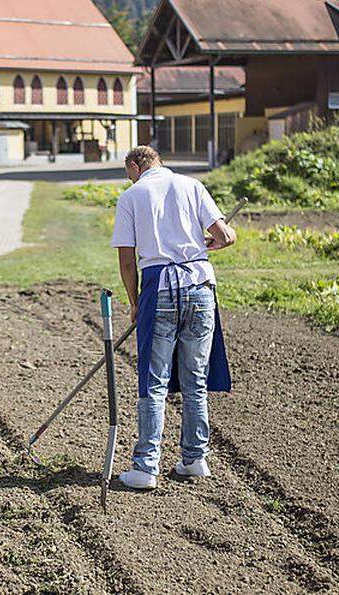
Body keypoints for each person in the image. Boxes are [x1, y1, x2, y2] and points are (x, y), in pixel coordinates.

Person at [109, 146, 237, 490]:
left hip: (159, 287)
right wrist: (207, 245)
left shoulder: (131, 196)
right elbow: (227, 236)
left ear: (137, 165)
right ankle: (195, 460)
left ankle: (146, 467)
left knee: (154, 380)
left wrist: (135, 303)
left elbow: (126, 260)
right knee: (195, 378)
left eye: (127, 171)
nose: (128, 177)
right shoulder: (192, 186)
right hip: (200, 287)